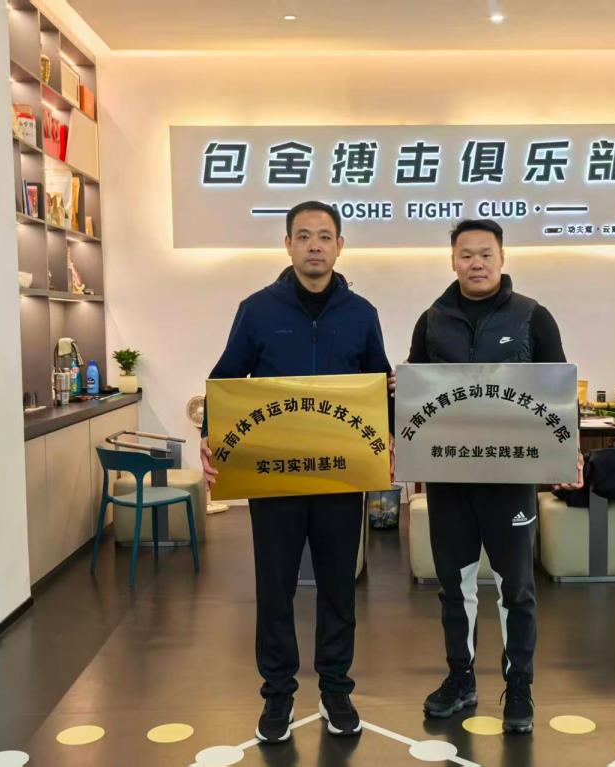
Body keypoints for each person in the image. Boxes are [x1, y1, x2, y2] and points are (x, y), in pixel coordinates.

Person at [200, 201, 393, 744]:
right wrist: (210, 437)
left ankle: (336, 690)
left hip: (340, 476)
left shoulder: (361, 313)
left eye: (324, 236)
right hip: (275, 477)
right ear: (287, 244)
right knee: (275, 588)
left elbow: (379, 385)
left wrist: (389, 436)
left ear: (340, 246)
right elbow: (225, 379)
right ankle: (278, 695)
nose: (314, 246)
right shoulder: (257, 310)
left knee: (338, 588)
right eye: (303, 236)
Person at [405, 218, 582, 734]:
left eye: (485, 254)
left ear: (502, 258)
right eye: (466, 255)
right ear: (452, 261)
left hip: (511, 476)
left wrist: (566, 450)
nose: (476, 263)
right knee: (454, 584)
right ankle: (460, 679)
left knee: (516, 586)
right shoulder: (432, 321)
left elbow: (558, 390)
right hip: (449, 477)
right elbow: (416, 391)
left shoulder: (532, 316)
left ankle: (519, 685)